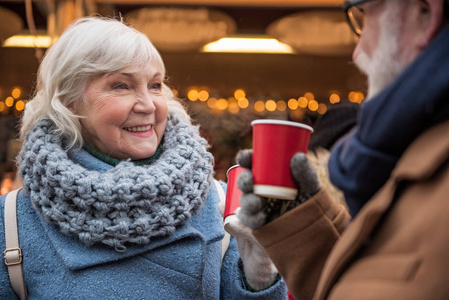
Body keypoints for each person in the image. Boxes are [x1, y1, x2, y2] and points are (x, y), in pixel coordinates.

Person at [0, 17, 288, 299]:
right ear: (68, 102)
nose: (149, 105)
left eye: (154, 85)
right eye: (121, 85)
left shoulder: (222, 204)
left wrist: (260, 278)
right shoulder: (11, 220)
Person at [234, 0, 449, 299]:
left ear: (424, 12)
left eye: (364, 16)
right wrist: (294, 215)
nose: (356, 51)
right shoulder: (418, 149)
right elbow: (368, 279)